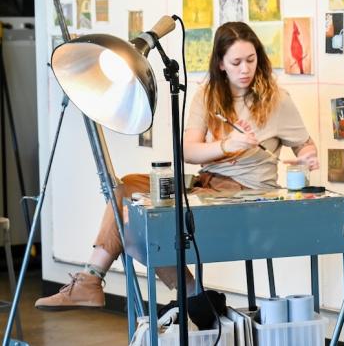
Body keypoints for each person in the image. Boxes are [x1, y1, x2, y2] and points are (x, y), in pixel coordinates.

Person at [36, 21, 319, 310]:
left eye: (251, 60)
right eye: (236, 62)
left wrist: (308, 156)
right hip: (205, 184)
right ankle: (93, 282)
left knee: (141, 221)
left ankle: (188, 294)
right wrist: (226, 145)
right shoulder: (208, 95)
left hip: (245, 194)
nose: (245, 69)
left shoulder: (277, 100)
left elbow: (305, 145)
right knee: (125, 188)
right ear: (221, 63)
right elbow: (189, 151)